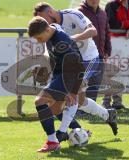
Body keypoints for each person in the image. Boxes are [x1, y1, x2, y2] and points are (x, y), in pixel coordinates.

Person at [33, 2, 118, 142]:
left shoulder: (72, 14)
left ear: (49, 13)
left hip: (88, 59)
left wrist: (72, 39)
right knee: (79, 100)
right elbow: (51, 54)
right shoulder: (51, 30)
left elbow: (93, 31)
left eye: (43, 19)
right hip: (69, 65)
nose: (43, 23)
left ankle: (61, 132)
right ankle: (108, 115)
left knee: (74, 93)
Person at [28, 16, 84, 152]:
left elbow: (79, 67)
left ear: (47, 30)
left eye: (39, 38)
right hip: (61, 75)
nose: (38, 41)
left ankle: (52, 142)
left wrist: (73, 92)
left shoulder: (61, 43)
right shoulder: (52, 29)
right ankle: (80, 131)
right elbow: (54, 24)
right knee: (55, 109)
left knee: (40, 101)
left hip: (69, 76)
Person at [104, 0, 129, 109]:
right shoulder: (111, 5)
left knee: (121, 72)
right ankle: (106, 101)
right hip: (113, 43)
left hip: (127, 44)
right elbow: (112, 24)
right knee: (110, 72)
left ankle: (117, 102)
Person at [78, 0, 111, 103]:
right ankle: (78, 110)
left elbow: (107, 32)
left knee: (94, 86)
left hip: (99, 56)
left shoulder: (103, 13)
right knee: (80, 85)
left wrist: (107, 50)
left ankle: (89, 111)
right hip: (83, 57)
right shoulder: (79, 13)